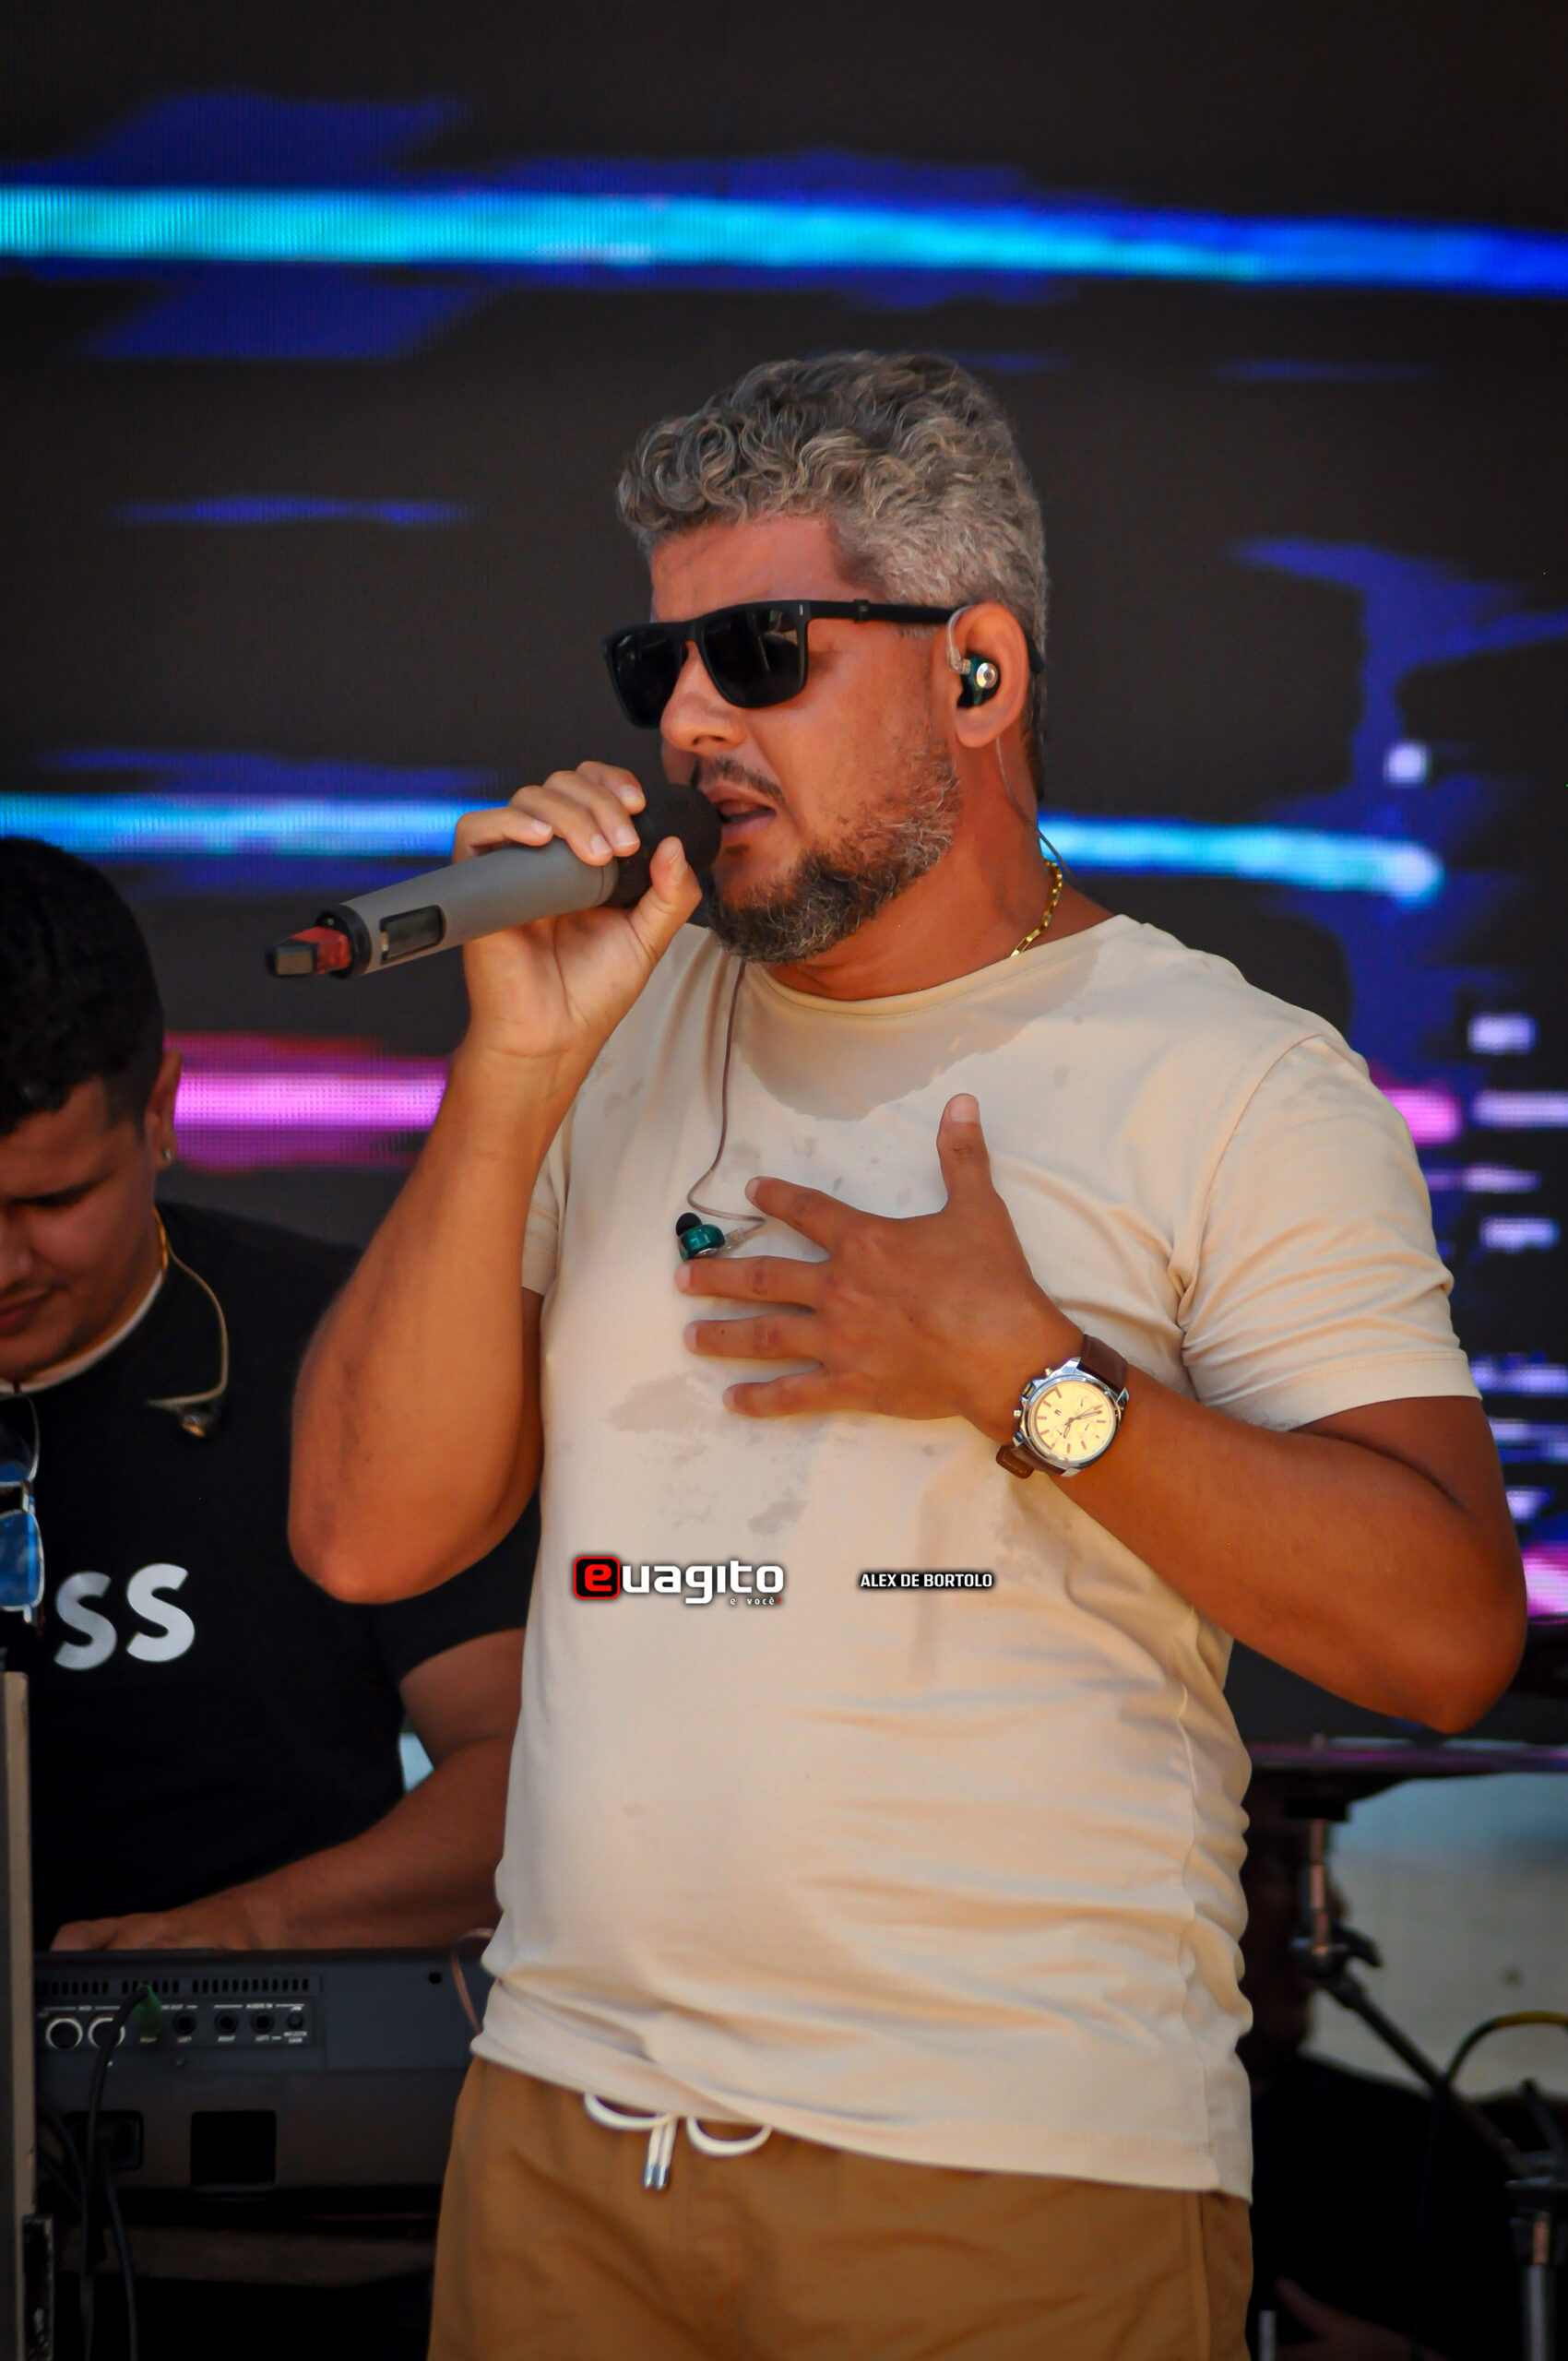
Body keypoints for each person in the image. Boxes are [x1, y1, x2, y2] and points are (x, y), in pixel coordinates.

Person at [291, 351, 1525, 2361]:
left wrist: (1032, 1379)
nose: (690, 721)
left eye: (760, 654)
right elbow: (365, 1534)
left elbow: (1449, 1631)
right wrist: (510, 1074)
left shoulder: (1232, 1080)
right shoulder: (606, 1034)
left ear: (976, 671)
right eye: (659, 664)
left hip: (1009, 2171)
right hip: (564, 2142)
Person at [0, 839, 534, 1954]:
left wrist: (245, 1929)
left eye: (50, 1202)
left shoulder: (352, 1350)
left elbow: (520, 1771)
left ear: (159, 1111)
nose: (2, 1265)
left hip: (263, 2032)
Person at [1240, 1785, 1521, 2360]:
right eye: (1275, 1867)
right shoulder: (1090, 2143)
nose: (1327, 1911)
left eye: (1319, 1870)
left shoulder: (1422, 2150)